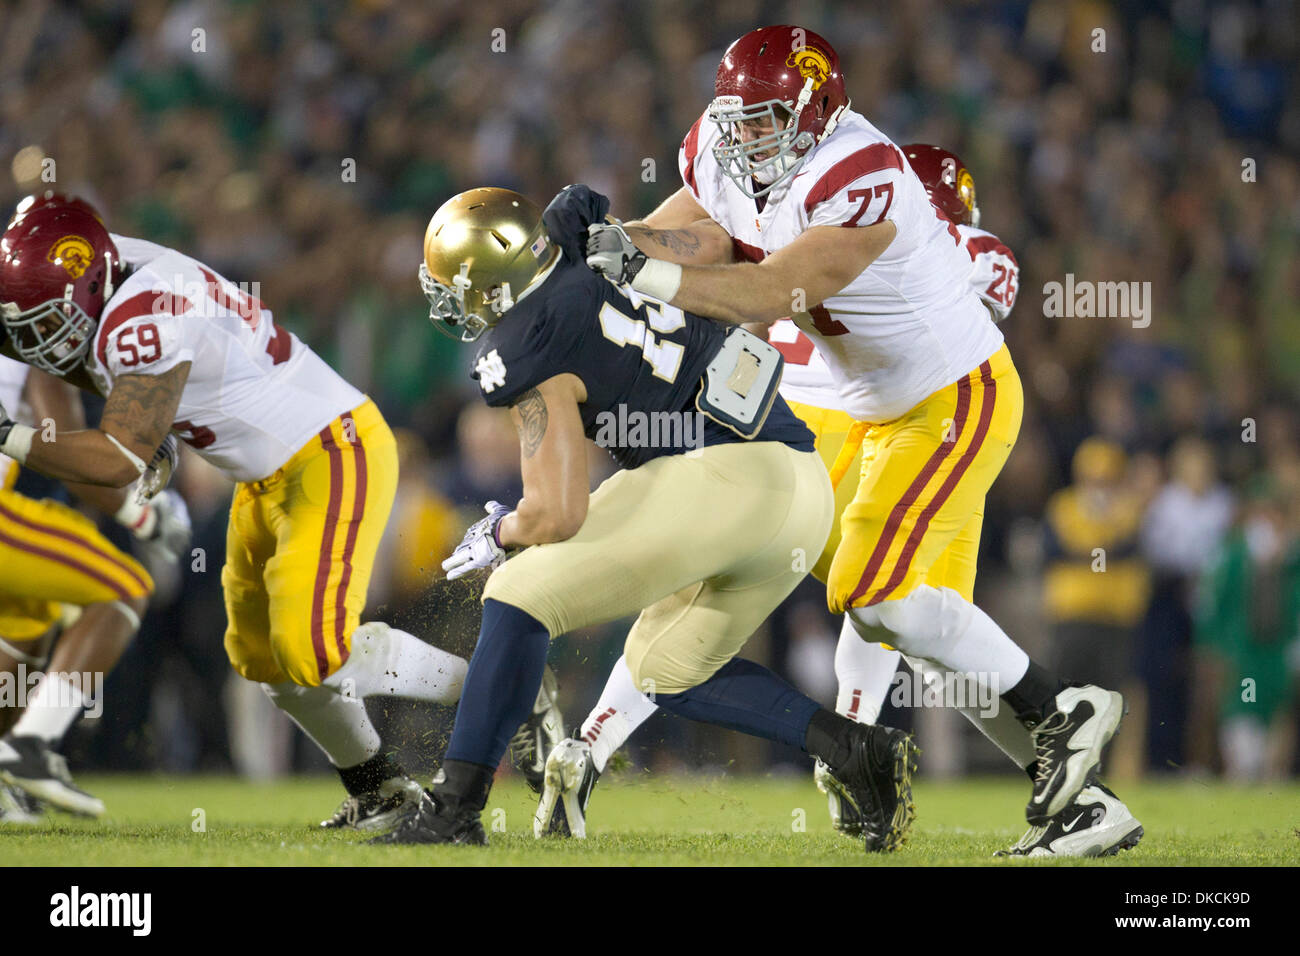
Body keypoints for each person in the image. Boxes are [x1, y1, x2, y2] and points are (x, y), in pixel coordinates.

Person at [581, 24, 1126, 836]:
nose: (745, 137)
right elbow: (693, 227)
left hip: (949, 398)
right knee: (894, 611)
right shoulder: (726, 148)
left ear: (817, 109)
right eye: (739, 119)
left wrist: (647, 275)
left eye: (765, 118)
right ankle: (1083, 805)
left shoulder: (860, 173)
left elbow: (772, 291)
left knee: (880, 596)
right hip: (854, 407)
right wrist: (611, 240)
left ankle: (1062, 715)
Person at [374, 185, 917, 851]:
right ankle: (854, 748)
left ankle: (454, 810)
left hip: (724, 479)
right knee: (667, 669)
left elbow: (557, 512)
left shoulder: (528, 339)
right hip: (799, 487)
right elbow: (710, 237)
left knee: (517, 593)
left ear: (489, 283)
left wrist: (499, 531)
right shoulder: (586, 239)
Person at [0, 193, 484, 830]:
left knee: (312, 647)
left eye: (45, 323)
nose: (35, 343)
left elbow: (117, 459)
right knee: (262, 660)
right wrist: (160, 432)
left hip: (329, 449)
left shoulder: (140, 314)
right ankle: (378, 790)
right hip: (263, 474)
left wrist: (10, 431)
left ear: (90, 284)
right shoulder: (118, 273)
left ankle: (497, 691)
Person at [0, 353, 188, 819]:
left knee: (26, 627)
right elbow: (68, 451)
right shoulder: (27, 330)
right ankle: (29, 748)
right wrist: (143, 515)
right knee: (122, 587)